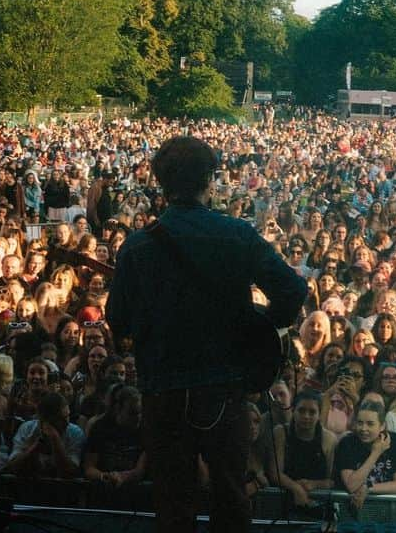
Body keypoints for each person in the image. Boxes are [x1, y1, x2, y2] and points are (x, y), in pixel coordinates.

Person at [107, 135, 307, 533]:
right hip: (223, 387)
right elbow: (293, 290)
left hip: (162, 393)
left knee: (172, 504)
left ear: (161, 183)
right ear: (209, 180)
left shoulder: (137, 247)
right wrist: (261, 329)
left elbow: (120, 322)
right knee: (232, 498)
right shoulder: (236, 235)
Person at [334, 400, 396, 510]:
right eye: (360, 423)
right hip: (351, 508)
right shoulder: (347, 443)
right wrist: (376, 453)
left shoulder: (395, 442)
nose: (363, 429)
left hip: (386, 509)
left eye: (370, 424)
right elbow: (352, 485)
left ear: (382, 426)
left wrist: (368, 488)